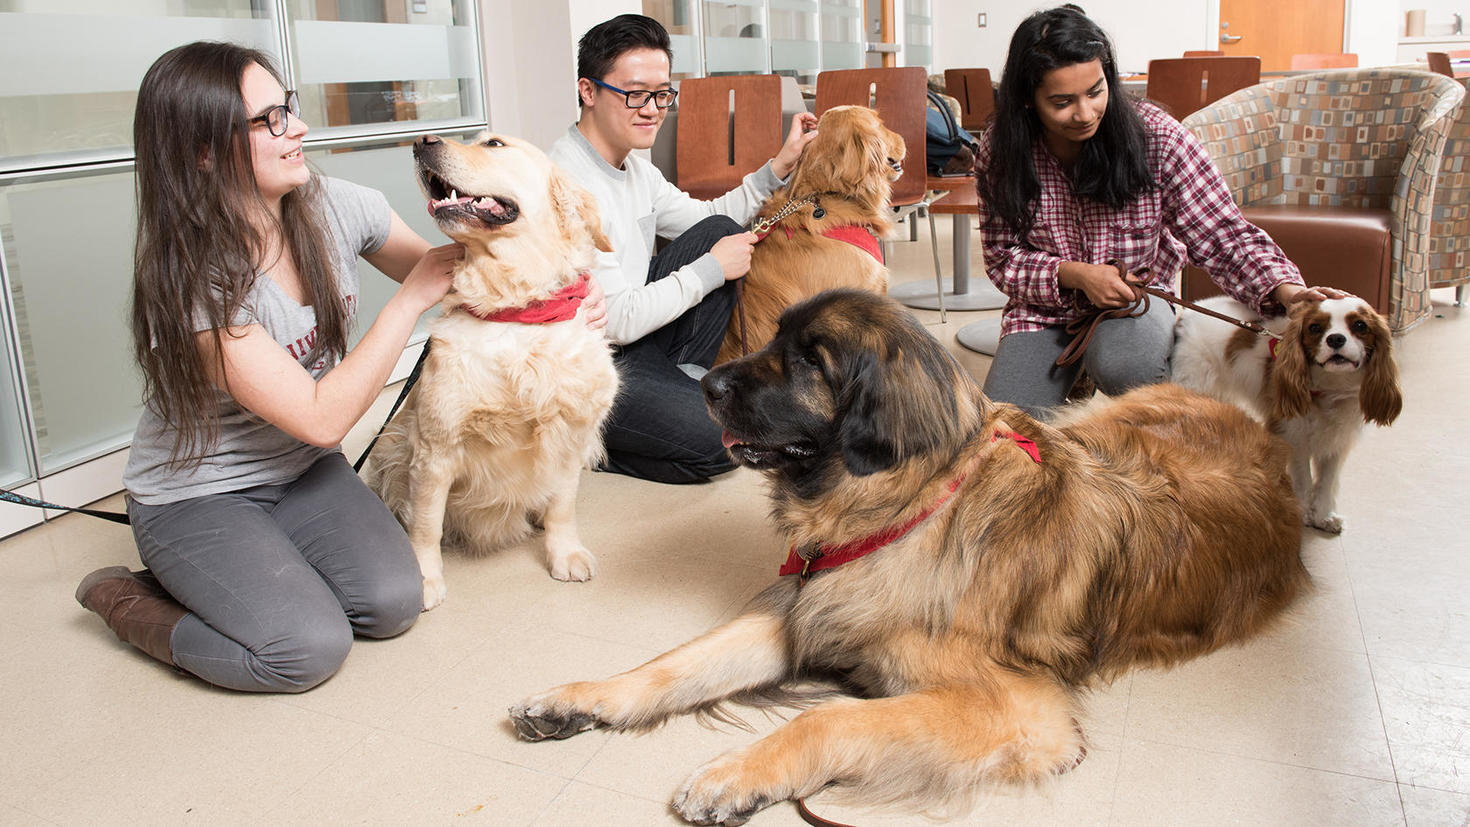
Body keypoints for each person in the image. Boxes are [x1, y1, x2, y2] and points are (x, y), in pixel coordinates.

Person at [73, 41, 605, 693]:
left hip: (299, 469)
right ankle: (131, 603)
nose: (298, 127)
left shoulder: (332, 205)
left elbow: (462, 269)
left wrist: (568, 291)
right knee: (303, 649)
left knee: (391, 603)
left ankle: (253, 568)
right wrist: (409, 301)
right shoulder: (194, 277)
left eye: (288, 107)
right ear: (204, 150)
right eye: (269, 120)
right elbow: (323, 418)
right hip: (200, 492)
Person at [975, 7, 1343, 419]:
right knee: (1004, 434)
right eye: (1062, 102)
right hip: (1042, 310)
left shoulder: (1158, 136)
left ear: (1109, 76)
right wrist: (1075, 274)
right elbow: (1002, 257)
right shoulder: (1000, 150)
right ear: (1027, 99)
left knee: (1129, 371)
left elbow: (1221, 232)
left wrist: (1287, 292)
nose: (1084, 113)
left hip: (1136, 302)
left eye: (1096, 91)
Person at [550, 13, 818, 484]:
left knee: (716, 228)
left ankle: (675, 383)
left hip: (632, 345)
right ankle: (581, 445)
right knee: (723, 445)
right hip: (584, 365)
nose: (652, 108)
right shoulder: (567, 182)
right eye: (634, 93)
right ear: (587, 92)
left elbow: (708, 221)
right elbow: (617, 319)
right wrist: (711, 271)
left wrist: (779, 166)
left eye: (661, 94)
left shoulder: (634, 169)